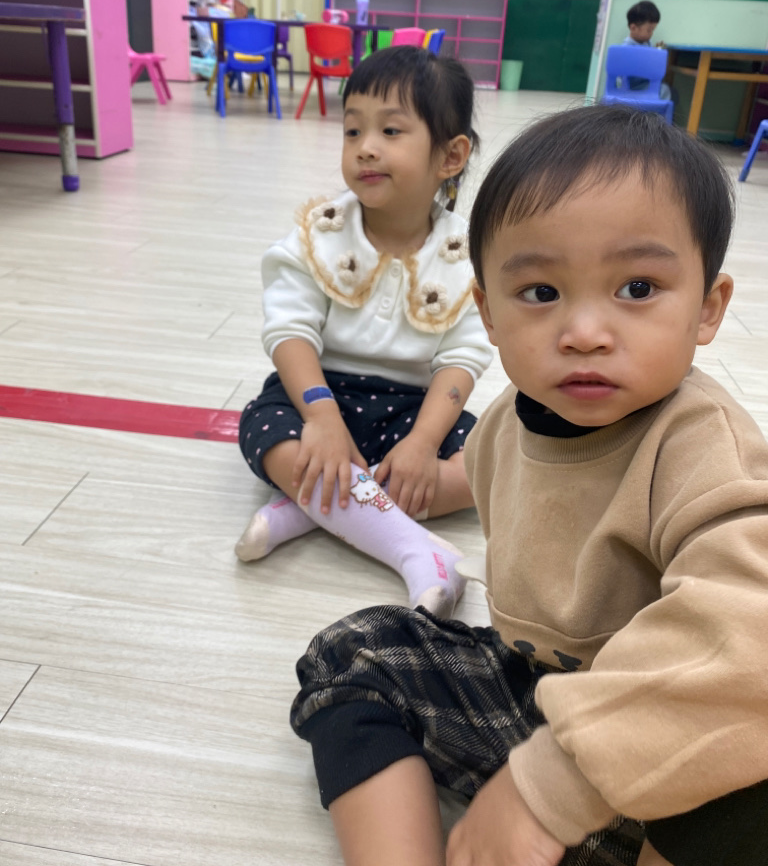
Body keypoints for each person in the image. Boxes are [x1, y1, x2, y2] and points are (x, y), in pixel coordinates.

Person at [289, 103, 768, 866]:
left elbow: (745, 636)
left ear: (707, 309)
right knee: (356, 650)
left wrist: (553, 783)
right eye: (541, 293)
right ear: (487, 313)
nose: (585, 333)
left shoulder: (702, 445)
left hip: (659, 747)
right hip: (534, 693)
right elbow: (483, 482)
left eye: (638, 287)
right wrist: (383, 487)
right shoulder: (507, 420)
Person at [235, 45, 493, 618]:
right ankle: (417, 553)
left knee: (488, 461)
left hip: (412, 410)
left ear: (451, 156)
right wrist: (322, 417)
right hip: (318, 394)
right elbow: (289, 329)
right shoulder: (321, 232)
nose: (365, 147)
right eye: (353, 130)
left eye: (390, 131)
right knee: (265, 431)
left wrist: (423, 443)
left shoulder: (466, 254)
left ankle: (311, 507)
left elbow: (463, 358)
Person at [624, 0, 672, 101]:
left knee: (666, 89)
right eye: (649, 30)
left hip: (644, 84)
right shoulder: (627, 47)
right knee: (663, 90)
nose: (651, 34)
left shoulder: (646, 43)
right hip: (632, 87)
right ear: (633, 28)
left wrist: (658, 53)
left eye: (653, 30)